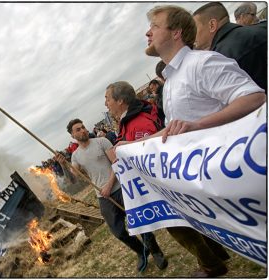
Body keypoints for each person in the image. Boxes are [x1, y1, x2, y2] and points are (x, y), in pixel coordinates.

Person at [142, 4, 266, 277]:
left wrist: (199, 125)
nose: (147, 33)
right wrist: (129, 147)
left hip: (239, 180)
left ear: (176, 33)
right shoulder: (172, 80)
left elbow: (255, 97)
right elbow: (174, 129)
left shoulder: (202, 63)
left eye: (154, 27)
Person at [55, 119, 167, 273]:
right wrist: (63, 165)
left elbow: (116, 162)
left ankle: (156, 251)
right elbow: (73, 179)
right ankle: (142, 251)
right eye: (78, 129)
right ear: (73, 135)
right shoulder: (76, 156)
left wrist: (108, 184)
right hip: (103, 197)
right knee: (118, 231)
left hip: (120, 188)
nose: (83, 130)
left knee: (140, 222)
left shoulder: (101, 141)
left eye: (83, 127)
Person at [193, 2, 267, 92]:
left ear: (212, 25)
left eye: (194, 28)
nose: (192, 34)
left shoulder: (221, 58)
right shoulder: (263, 27)